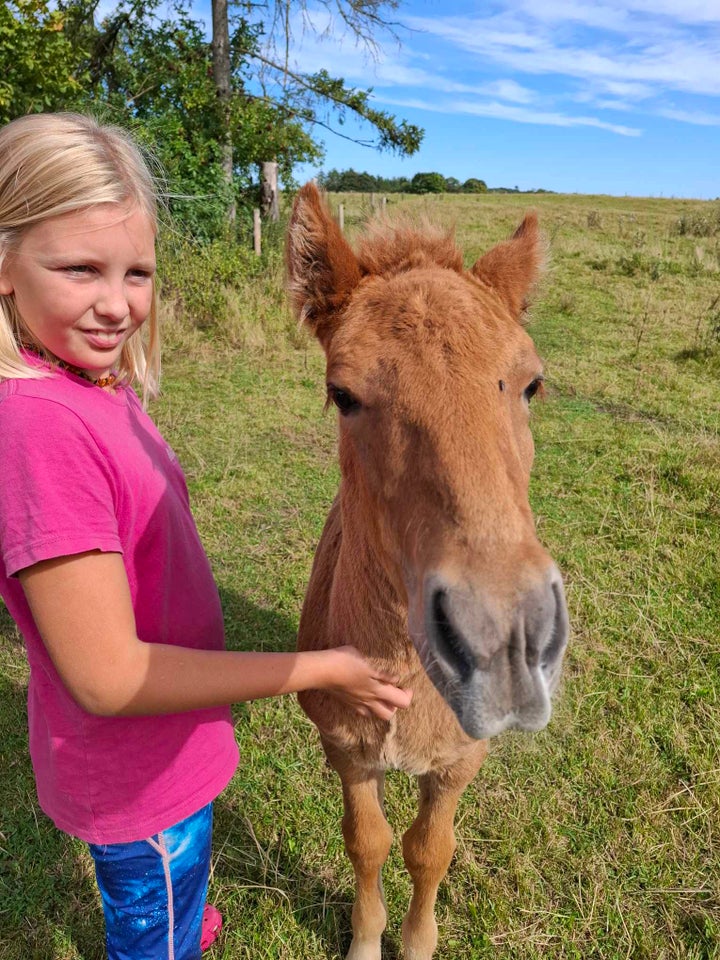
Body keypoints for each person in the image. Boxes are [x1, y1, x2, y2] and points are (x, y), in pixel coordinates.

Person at [0, 112, 412, 960]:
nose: (117, 304)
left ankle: (182, 914)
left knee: (176, 879)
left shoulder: (90, 385)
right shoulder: (40, 428)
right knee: (152, 927)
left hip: (168, 752)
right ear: (3, 265)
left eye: (137, 271)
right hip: (136, 777)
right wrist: (321, 666)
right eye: (79, 268)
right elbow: (110, 679)